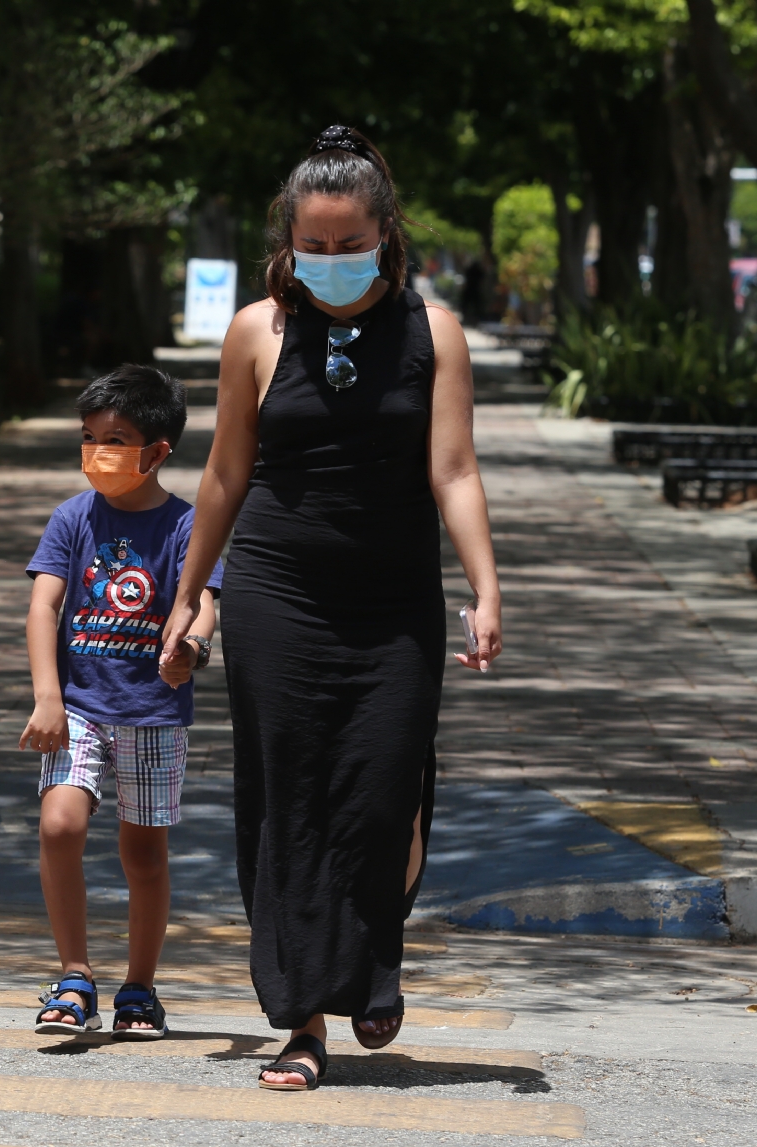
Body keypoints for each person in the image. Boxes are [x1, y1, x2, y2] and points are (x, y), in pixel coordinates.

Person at [161, 126, 502, 1091]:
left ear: (386, 236)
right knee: (290, 796)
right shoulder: (256, 332)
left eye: (353, 245)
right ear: (289, 240)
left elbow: (456, 467)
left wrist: (486, 584)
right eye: (317, 245)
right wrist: (192, 597)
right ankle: (304, 1017)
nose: (334, 261)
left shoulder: (432, 333)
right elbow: (225, 475)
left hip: (394, 598)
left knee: (385, 789)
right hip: (277, 589)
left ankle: (373, 953)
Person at [20, 365, 222, 1040]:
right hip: (78, 704)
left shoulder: (187, 524)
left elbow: (202, 603)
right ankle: (74, 974)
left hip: (154, 715)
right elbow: (44, 604)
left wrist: (189, 650)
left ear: (158, 451)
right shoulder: (73, 518)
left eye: (116, 438)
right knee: (59, 826)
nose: (97, 452)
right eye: (88, 436)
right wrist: (48, 696)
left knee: (144, 856)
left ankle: (140, 986)